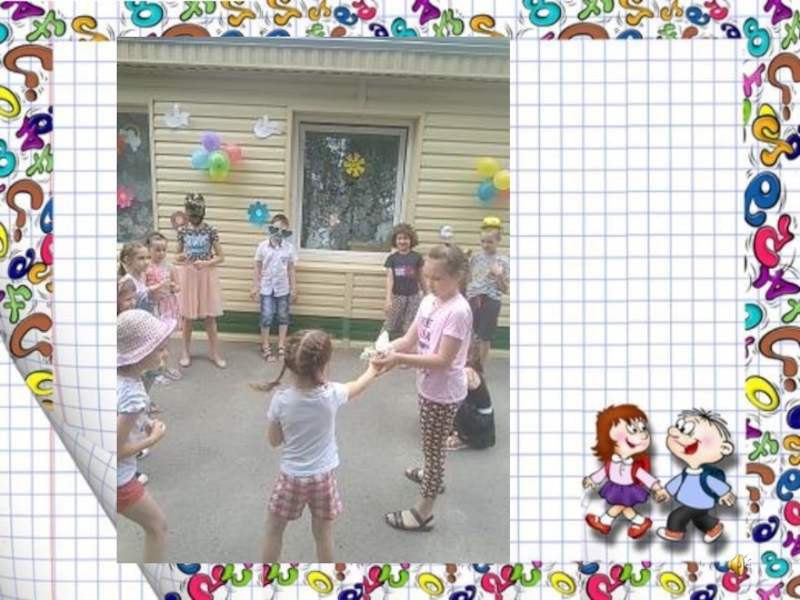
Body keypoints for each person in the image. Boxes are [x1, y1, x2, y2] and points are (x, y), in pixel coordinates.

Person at [256, 330, 382, 561]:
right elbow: (357, 385)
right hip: (323, 478)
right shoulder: (331, 394)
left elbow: (274, 441)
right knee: (323, 535)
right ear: (323, 364)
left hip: (292, 478)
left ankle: (266, 579)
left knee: (274, 531)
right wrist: (373, 369)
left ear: (291, 363)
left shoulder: (281, 400)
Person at [372, 244, 473, 531]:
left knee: (434, 449)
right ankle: (431, 474)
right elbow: (409, 339)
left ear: (458, 277)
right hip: (428, 386)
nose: (430, 283)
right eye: (427, 276)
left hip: (444, 393)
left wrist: (399, 359)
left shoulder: (458, 311)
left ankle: (423, 512)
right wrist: (386, 348)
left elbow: (442, 360)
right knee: (430, 442)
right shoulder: (429, 300)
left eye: (438, 278)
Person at [117, 309, 174, 561]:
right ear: (141, 354)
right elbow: (115, 450)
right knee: (157, 527)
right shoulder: (134, 396)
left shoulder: (121, 378)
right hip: (119, 479)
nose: (166, 353)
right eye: (160, 349)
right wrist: (151, 439)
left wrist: (145, 421)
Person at [583, 404, 668, 539]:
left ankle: (604, 522)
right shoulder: (611, 462)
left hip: (629, 490)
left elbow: (647, 478)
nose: (643, 434)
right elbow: (603, 472)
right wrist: (592, 479)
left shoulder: (634, 467)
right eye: (633, 430)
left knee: (619, 506)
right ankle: (640, 522)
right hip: (614, 487)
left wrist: (658, 489)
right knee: (625, 508)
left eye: (642, 428)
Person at [657, 409, 736, 543]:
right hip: (693, 503)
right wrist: (666, 492)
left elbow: (715, 484)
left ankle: (674, 532)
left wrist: (724, 493)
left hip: (700, 502)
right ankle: (713, 528)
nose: (674, 432)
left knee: (676, 516)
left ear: (724, 449)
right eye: (679, 427)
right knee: (699, 518)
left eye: (687, 431)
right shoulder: (686, 472)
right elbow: (678, 482)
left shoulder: (705, 475)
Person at [174, 193, 226, 369]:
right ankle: (185, 352)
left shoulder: (210, 230)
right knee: (188, 317)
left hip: (206, 275)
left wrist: (206, 263)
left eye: (197, 214)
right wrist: (183, 256)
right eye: (191, 214)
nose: (194, 218)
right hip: (188, 276)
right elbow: (176, 256)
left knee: (210, 317)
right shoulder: (182, 231)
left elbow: (221, 257)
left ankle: (214, 352)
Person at [251, 214, 297, 361]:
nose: (279, 232)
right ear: (271, 228)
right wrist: (255, 286)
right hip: (266, 287)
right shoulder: (262, 246)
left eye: (282, 229)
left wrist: (294, 288)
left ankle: (281, 345)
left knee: (283, 315)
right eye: (276, 228)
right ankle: (265, 345)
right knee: (266, 315)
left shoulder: (289, 248)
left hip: (283, 287)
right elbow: (257, 267)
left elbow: (291, 269)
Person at [465, 217, 510, 364]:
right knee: (469, 333)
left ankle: (479, 366)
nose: (485, 245)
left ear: (498, 241)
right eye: (483, 241)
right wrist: (465, 261)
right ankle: (468, 362)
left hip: (490, 301)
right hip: (473, 298)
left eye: (490, 242)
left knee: (485, 336)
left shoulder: (503, 261)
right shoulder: (476, 258)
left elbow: (506, 290)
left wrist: (499, 275)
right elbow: (468, 279)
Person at [445, 337, 495, 451]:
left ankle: (463, 437)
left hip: (481, 425)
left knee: (450, 399)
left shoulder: (468, 372)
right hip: (475, 415)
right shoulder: (462, 369)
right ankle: (455, 428)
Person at [145, 231, 182, 383]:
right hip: (153, 306)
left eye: (164, 250)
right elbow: (143, 288)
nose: (161, 253)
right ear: (149, 250)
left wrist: (174, 286)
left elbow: (178, 286)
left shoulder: (170, 267)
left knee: (165, 340)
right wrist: (155, 287)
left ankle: (164, 367)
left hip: (168, 305)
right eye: (157, 250)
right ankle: (154, 370)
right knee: (155, 340)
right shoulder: (146, 267)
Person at [382, 223, 425, 340]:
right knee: (390, 323)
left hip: (413, 297)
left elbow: (421, 277)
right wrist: (388, 298)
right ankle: (380, 345)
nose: (402, 241)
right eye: (399, 238)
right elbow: (390, 279)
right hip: (397, 296)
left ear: (411, 240)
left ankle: (406, 348)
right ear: (395, 240)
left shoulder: (417, 257)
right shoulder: (392, 259)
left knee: (409, 325)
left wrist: (427, 294)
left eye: (405, 238)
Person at [118, 241, 169, 315]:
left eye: (148, 258)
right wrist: (152, 295)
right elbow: (128, 310)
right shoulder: (128, 282)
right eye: (141, 258)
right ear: (127, 259)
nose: (146, 262)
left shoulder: (140, 278)